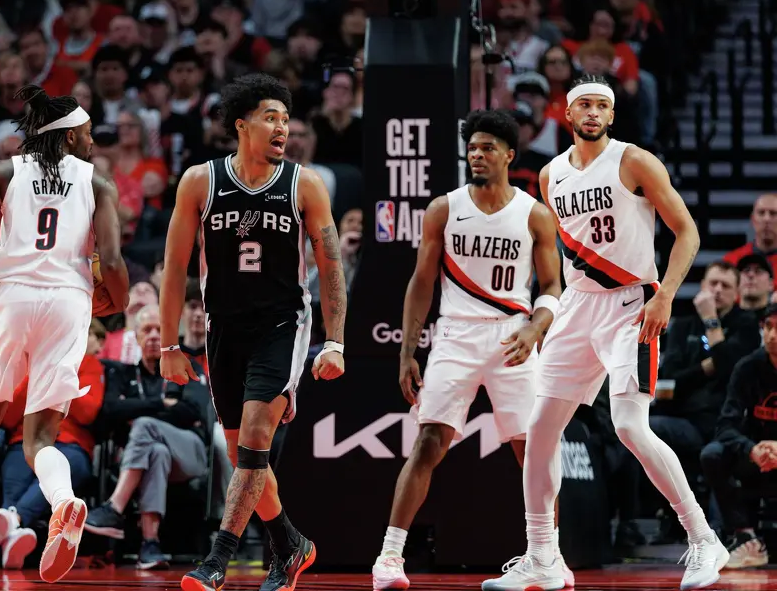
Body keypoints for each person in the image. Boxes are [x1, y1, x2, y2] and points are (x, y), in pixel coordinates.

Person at [482, 74, 727, 591]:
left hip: (631, 304)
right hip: (577, 307)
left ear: (611, 115)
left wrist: (665, 295)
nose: (592, 112)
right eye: (584, 105)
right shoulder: (549, 174)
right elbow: (567, 253)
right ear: (567, 114)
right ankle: (543, 556)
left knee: (630, 426)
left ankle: (704, 538)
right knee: (538, 429)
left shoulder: (634, 160)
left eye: (601, 105)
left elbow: (687, 231)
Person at [0, 84, 130, 589]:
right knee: (41, 437)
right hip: (67, 301)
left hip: (11, 298)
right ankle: (63, 502)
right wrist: (120, 301)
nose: (92, 142)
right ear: (68, 137)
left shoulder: (3, 171)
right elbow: (112, 260)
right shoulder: (98, 182)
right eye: (87, 133)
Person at [159, 73, 347, 591]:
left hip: (282, 325)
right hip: (223, 327)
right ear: (242, 125)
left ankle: (218, 558)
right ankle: (290, 544)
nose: (282, 127)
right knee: (243, 453)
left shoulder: (305, 184)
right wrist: (169, 343)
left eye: (286, 119)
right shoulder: (200, 181)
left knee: (257, 438)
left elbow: (331, 267)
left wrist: (335, 341)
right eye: (271, 117)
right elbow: (174, 269)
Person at [372, 110, 565, 591]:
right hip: (456, 334)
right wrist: (408, 351)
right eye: (472, 148)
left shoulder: (534, 214)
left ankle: (548, 555)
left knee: (535, 450)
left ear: (509, 155)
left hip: (513, 335)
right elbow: (421, 282)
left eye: (487, 148)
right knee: (428, 442)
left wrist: (536, 328)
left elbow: (552, 287)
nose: (477, 155)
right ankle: (390, 557)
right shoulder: (444, 208)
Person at [700, 303, 777, 569]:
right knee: (712, 454)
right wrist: (751, 449)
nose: (772, 336)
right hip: (757, 457)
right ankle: (746, 537)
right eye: (768, 327)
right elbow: (725, 425)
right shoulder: (748, 367)